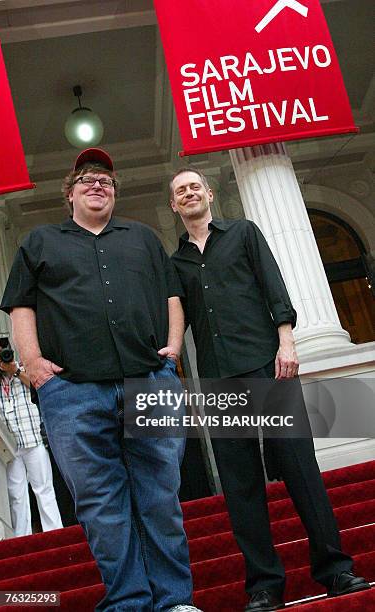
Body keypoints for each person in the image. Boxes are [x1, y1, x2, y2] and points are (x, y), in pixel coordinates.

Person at [0, 149, 202, 612]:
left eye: (107, 181)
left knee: (160, 495)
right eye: (88, 180)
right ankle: (129, 601)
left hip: (148, 381)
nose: (99, 186)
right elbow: (21, 307)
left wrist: (172, 353)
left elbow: (172, 294)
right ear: (69, 193)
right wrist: (33, 365)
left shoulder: (143, 239)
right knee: (100, 505)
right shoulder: (39, 242)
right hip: (71, 392)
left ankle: (174, 601)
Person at [169, 167, 370, 612]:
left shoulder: (243, 233)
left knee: (300, 469)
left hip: (268, 365)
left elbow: (274, 287)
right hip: (220, 380)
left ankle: (335, 569)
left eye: (194, 187)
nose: (188, 194)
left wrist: (287, 342)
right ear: (174, 205)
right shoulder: (175, 263)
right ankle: (263, 585)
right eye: (180, 191)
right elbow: (176, 317)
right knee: (241, 487)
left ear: (208, 194)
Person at [0, 340, 63, 537]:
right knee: (16, 495)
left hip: (32, 438)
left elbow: (36, 384)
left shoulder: (23, 368)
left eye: (1, 351)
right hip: (9, 445)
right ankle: (22, 538)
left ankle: (55, 534)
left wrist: (14, 370)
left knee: (43, 488)